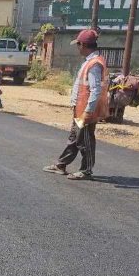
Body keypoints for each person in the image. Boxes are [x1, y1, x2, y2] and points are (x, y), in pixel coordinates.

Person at [43, 29, 109, 180]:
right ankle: (61, 164)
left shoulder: (94, 64)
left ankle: (86, 170)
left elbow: (95, 90)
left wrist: (87, 112)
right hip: (80, 109)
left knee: (85, 140)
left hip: (86, 111)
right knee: (74, 138)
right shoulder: (89, 62)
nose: (77, 48)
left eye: (78, 44)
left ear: (83, 45)